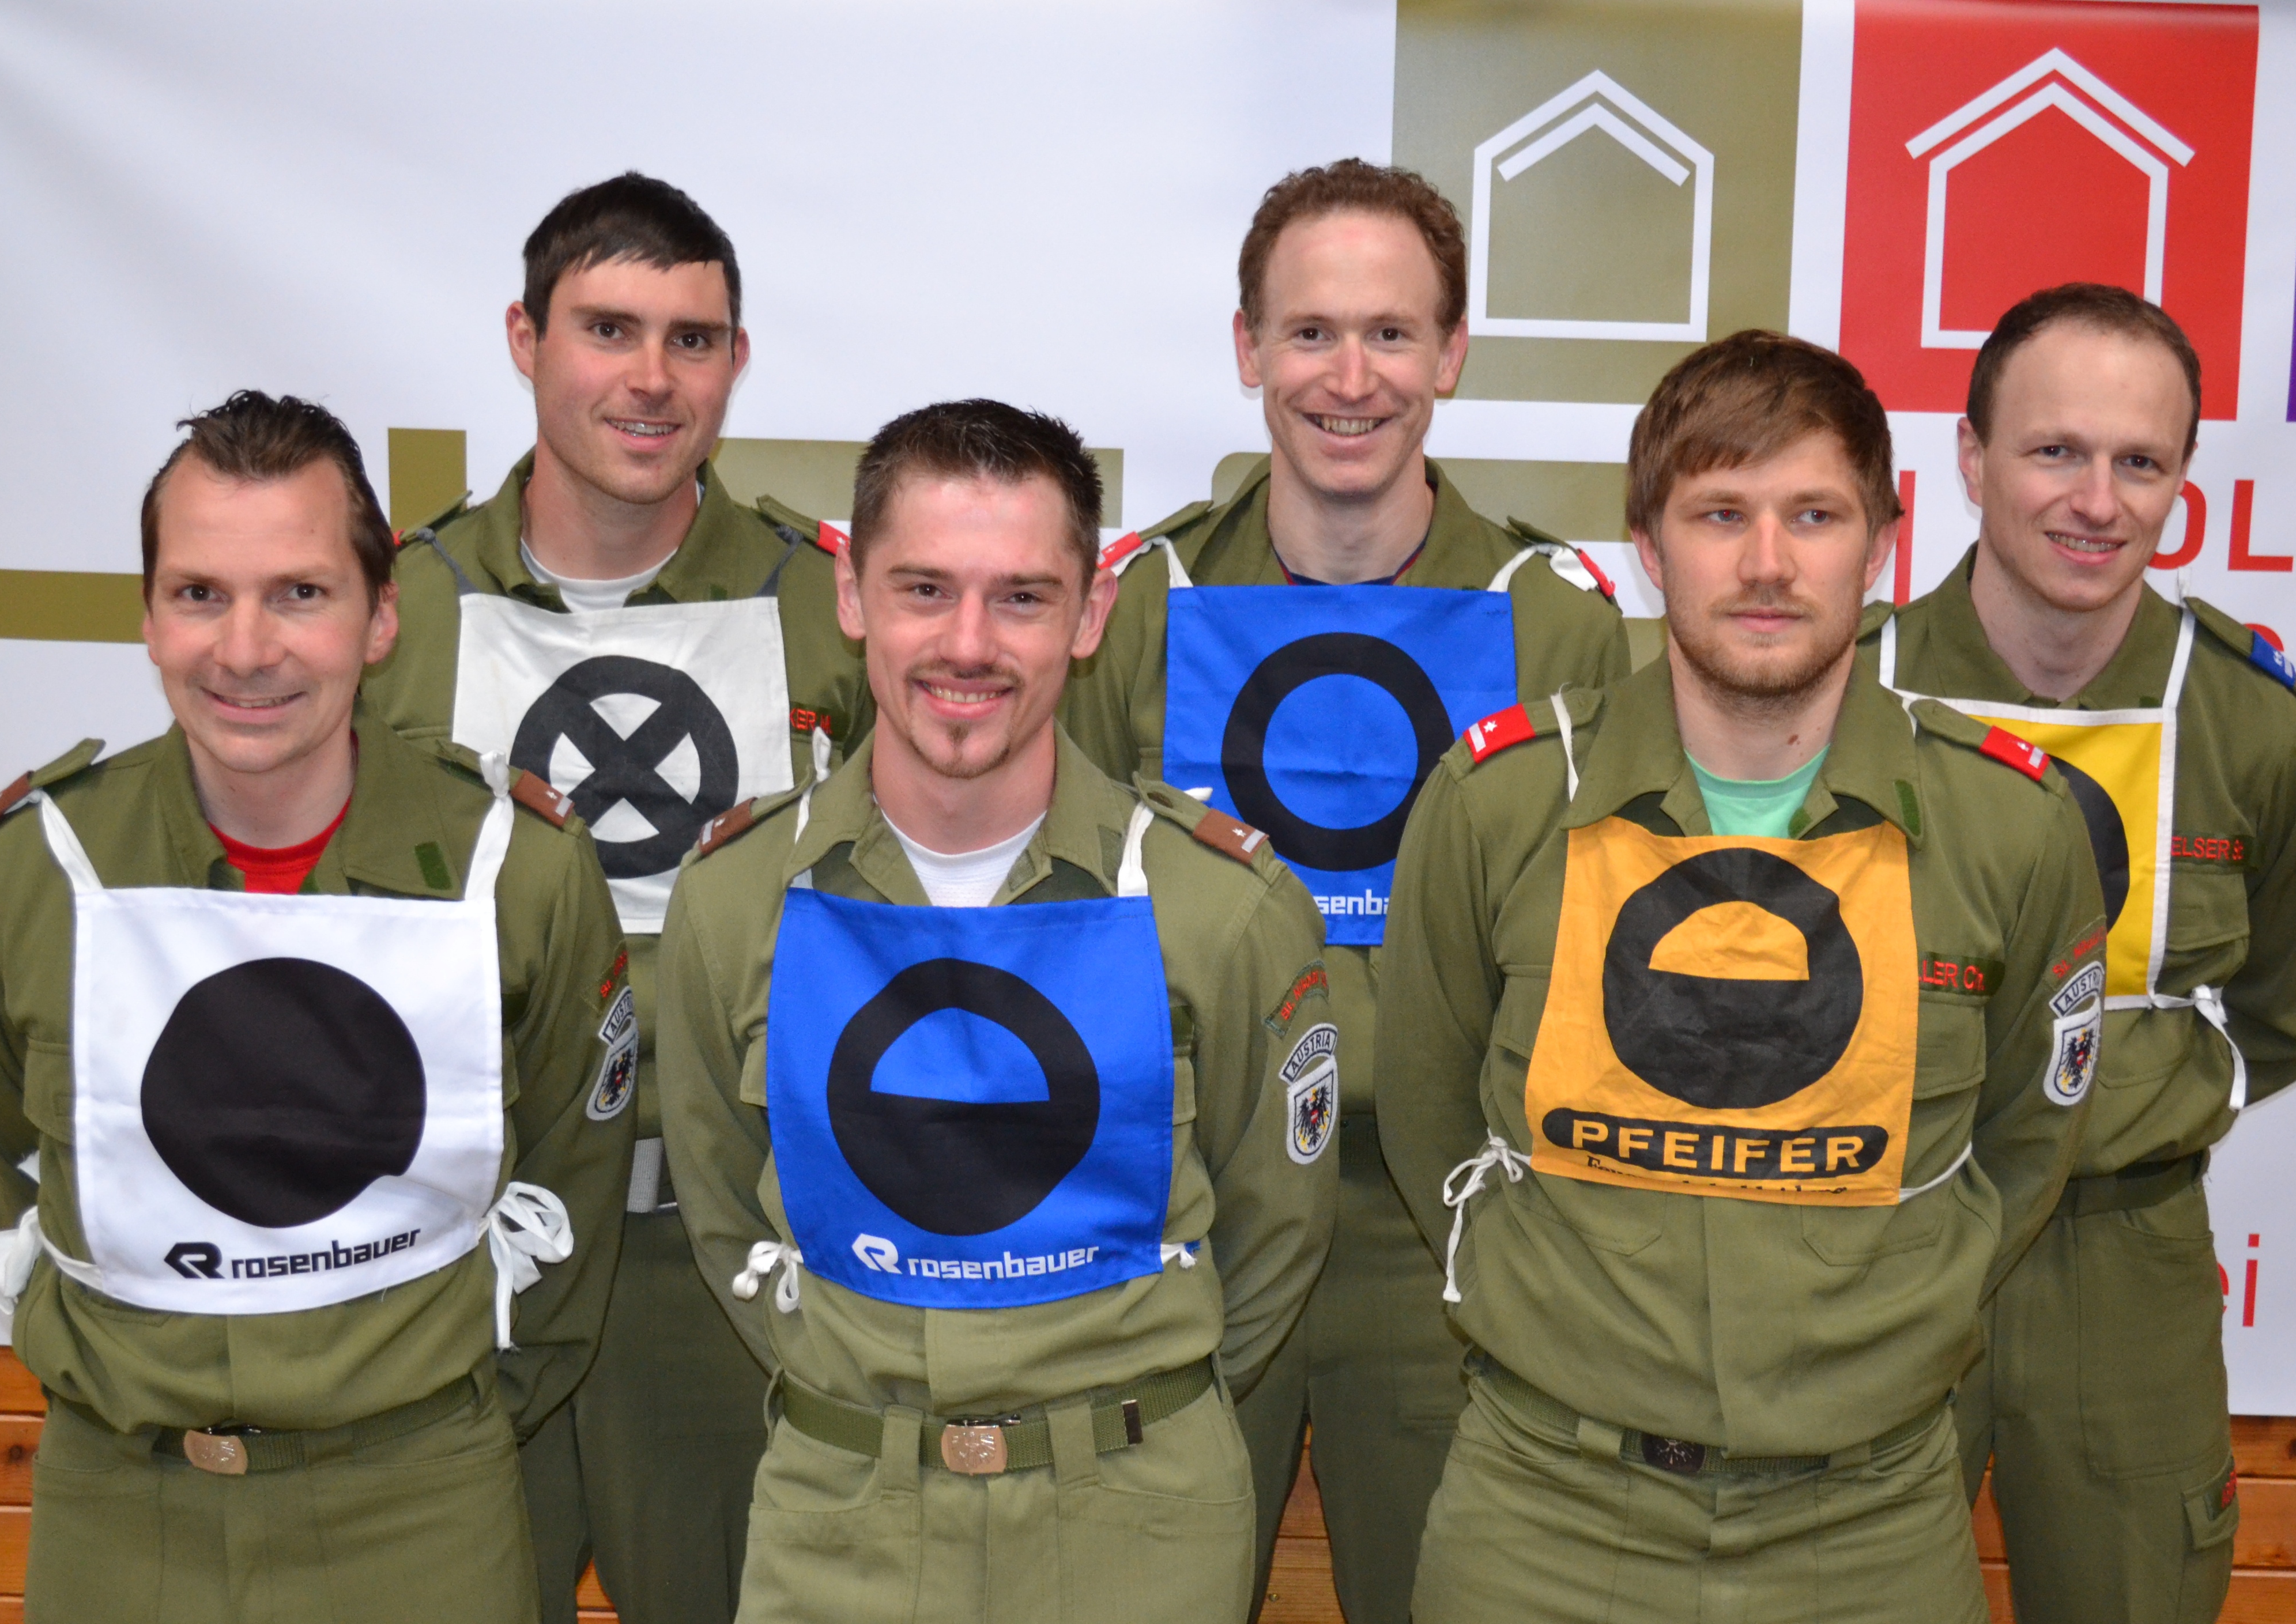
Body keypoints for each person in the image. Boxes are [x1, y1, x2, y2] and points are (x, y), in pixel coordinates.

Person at [1377, 331, 2110, 1623]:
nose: (1767, 564)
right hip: (1542, 1515)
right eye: (1720, 514)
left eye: (1813, 515)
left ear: (1878, 545)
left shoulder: (2011, 825)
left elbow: (2020, 1145)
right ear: (1648, 549)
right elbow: (1429, 1111)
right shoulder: (1499, 803)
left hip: (1871, 1529)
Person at [0, 391, 634, 1623]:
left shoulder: (517, 872)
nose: (246, 648)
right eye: (200, 593)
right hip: (119, 1508)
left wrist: (433, 1413)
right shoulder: (24, 876)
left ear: (380, 617)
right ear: (149, 616)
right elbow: (19, 1168)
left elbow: (568, 1195)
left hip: (420, 1509)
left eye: (301, 593)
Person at [1059, 157, 1627, 1623]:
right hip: (1185, 1210)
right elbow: (1056, 916)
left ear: (1451, 352)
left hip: (1434, 1223)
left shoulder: (1550, 616)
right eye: (1309, 331)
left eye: (1390, 332)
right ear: (1246, 348)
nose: (1350, 376)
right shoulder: (1139, 600)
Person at [657, 398, 1337, 1623]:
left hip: (1139, 1527)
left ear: (1090, 614)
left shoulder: (1219, 905)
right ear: (851, 596)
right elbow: (723, 1206)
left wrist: (1115, 1417)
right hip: (838, 1518)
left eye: (1022, 597)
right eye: (923, 589)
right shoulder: (735, 897)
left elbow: (1272, 1229)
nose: (967, 644)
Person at [362, 171, 870, 1624]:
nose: (652, 378)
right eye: (607, 328)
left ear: (736, 361)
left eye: (691, 339)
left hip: (722, 1268)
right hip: (458, 1259)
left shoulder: (831, 608)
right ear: (524, 338)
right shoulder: (393, 613)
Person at [1874, 282, 2296, 1623]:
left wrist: (2139, 1095)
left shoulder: (2253, 723)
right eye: (2054, 451)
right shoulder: (1841, 689)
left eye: (2138, 462)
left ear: (2178, 480)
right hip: (1875, 1244)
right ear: (1969, 457)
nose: (2096, 501)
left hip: (2124, 1253)